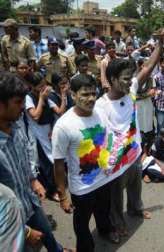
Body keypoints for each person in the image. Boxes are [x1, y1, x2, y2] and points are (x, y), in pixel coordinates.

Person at [95, 28, 164, 236]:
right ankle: (117, 222)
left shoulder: (132, 88)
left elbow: (149, 66)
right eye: (124, 79)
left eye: (130, 78)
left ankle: (136, 209)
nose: (129, 82)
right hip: (116, 160)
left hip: (134, 154)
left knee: (136, 187)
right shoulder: (102, 105)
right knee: (116, 196)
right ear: (112, 78)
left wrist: (160, 43)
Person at [0, 72, 68, 252]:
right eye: (17, 102)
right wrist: (26, 232)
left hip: (30, 201)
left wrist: (33, 180)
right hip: (13, 222)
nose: (23, 107)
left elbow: (23, 159)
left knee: (48, 235)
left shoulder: (16, 126)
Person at [52, 74, 120, 252]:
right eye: (85, 94)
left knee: (104, 211)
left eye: (93, 93)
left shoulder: (100, 112)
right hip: (82, 188)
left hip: (104, 179)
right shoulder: (63, 126)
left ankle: (105, 230)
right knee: (82, 225)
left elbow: (108, 137)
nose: (91, 99)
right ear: (73, 94)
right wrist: (63, 195)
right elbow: (58, 165)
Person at [25, 72, 58, 201]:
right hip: (37, 134)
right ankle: (51, 190)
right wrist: (41, 98)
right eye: (39, 86)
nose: (43, 89)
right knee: (46, 163)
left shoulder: (46, 95)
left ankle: (52, 186)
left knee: (52, 160)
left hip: (48, 131)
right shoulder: (29, 98)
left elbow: (57, 112)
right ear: (32, 86)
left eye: (44, 85)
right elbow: (36, 115)